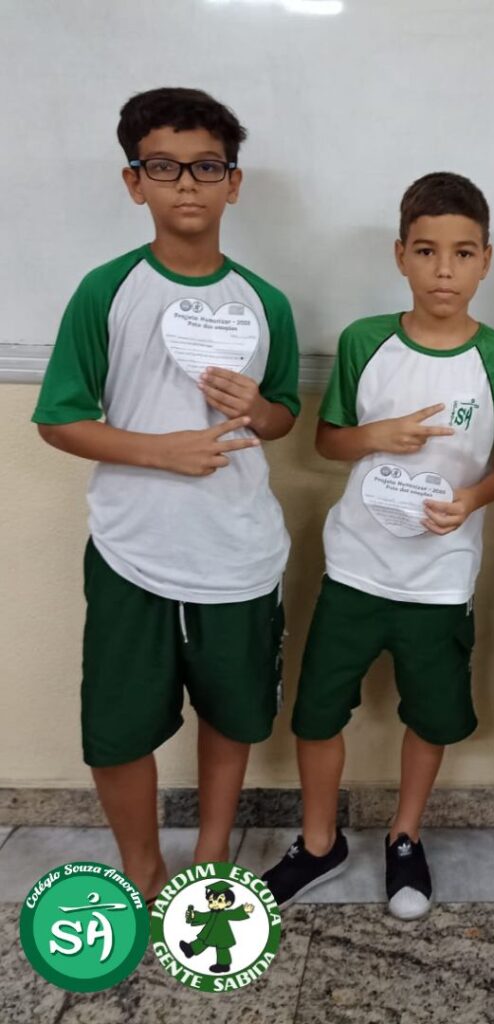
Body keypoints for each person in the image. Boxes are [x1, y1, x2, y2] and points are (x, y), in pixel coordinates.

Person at [32, 87, 300, 902]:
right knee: (118, 728)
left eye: (207, 167)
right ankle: (142, 868)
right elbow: (59, 419)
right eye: (164, 166)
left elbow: (283, 414)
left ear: (233, 182)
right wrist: (160, 450)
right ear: (133, 181)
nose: (187, 183)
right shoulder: (106, 291)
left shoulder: (264, 302)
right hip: (133, 550)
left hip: (237, 552)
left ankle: (212, 854)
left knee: (231, 713)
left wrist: (258, 409)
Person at [262, 172, 494, 920]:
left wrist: (472, 499)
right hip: (354, 567)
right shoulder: (364, 341)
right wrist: (376, 436)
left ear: (485, 260)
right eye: (426, 251)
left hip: (440, 579)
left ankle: (405, 834)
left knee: (430, 715)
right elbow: (328, 440)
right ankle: (320, 841)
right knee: (317, 713)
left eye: (462, 253)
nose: (444, 270)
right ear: (400, 255)